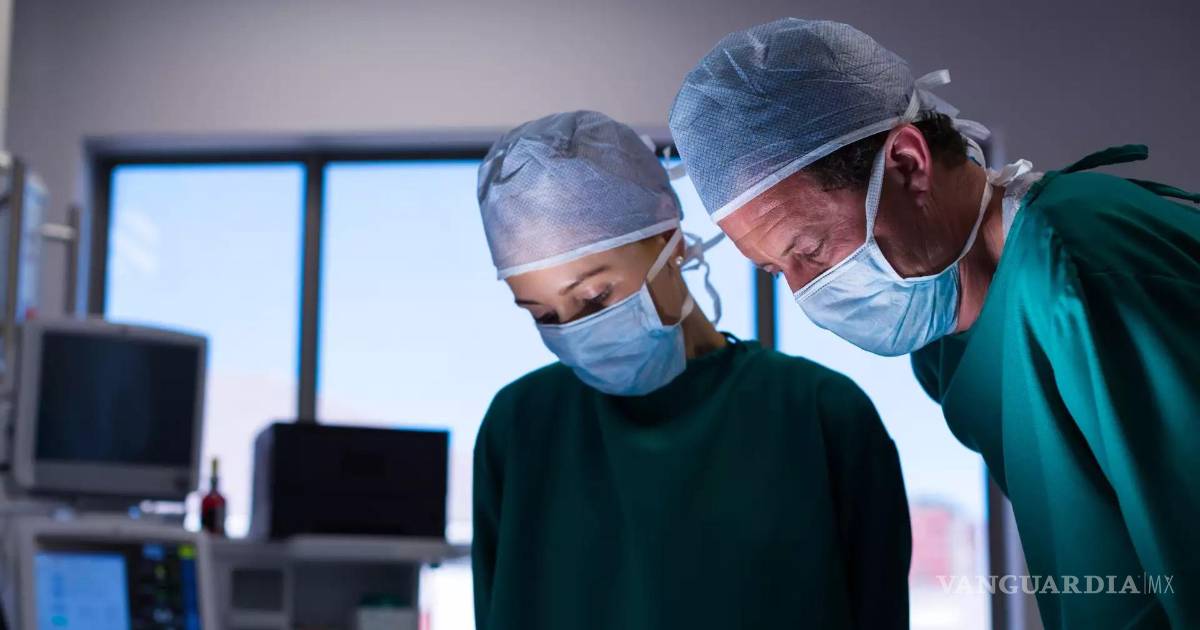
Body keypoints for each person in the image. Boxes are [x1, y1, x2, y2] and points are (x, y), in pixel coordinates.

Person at [668, 18, 1200, 629]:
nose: (804, 293)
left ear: (907, 164)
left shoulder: (1086, 274)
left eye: (809, 251)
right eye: (772, 271)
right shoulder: (944, 336)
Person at [471, 110, 910, 630]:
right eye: (543, 315)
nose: (573, 331)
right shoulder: (520, 426)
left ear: (670, 241)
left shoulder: (818, 414)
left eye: (593, 297)